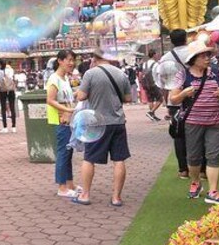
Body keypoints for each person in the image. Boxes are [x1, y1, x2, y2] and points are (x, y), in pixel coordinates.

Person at [169, 41, 219, 205]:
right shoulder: (183, 75)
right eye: (203, 55)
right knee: (194, 157)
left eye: (208, 54)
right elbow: (173, 99)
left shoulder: (217, 73)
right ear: (193, 58)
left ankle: (213, 190)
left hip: (215, 121)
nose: (207, 58)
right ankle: (196, 182)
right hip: (192, 122)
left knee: (213, 156)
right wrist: (184, 93)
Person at [73, 48, 132, 206]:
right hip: (118, 122)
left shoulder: (90, 74)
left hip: (97, 122)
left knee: (89, 158)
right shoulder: (121, 74)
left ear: (94, 58)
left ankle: (85, 195)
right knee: (119, 159)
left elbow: (81, 96)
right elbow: (128, 98)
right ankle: (116, 197)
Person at [160, 29, 193, 178]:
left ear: (172, 41)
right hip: (194, 95)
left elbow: (163, 81)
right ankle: (201, 168)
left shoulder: (166, 58)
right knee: (197, 132)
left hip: (174, 98)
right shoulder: (193, 52)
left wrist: (166, 100)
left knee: (179, 134)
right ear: (186, 38)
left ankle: (183, 169)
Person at [46, 50, 79, 198]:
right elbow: (50, 100)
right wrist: (67, 109)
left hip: (69, 120)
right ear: (60, 61)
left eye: (73, 60)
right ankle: (62, 187)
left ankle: (70, 184)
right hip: (62, 121)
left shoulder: (64, 78)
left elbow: (68, 97)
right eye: (69, 60)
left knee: (68, 152)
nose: (71, 63)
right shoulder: (54, 79)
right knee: (63, 153)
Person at [142, 50, 163, 122]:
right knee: (160, 99)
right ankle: (151, 112)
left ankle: (152, 115)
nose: (157, 56)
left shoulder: (145, 64)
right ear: (154, 55)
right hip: (154, 84)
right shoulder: (156, 64)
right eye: (156, 54)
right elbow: (159, 74)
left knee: (150, 100)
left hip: (146, 84)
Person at [0, 60, 17, 134]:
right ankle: (14, 127)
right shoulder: (11, 70)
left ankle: (5, 127)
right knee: (12, 108)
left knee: (3, 108)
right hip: (11, 89)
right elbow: (14, 79)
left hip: (2, 90)